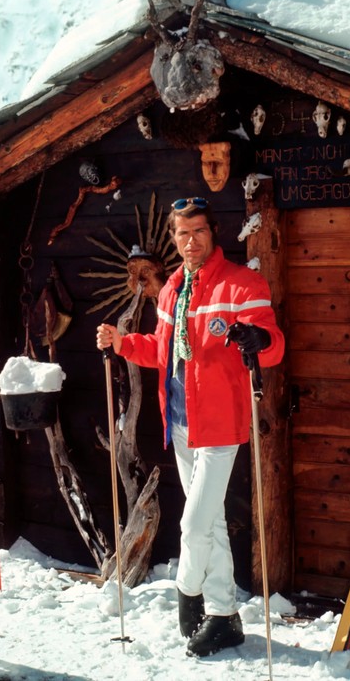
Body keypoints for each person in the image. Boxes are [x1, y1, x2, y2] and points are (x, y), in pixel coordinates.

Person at [97, 196, 284, 658]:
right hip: (179, 421)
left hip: (221, 425)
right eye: (182, 233)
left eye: (198, 231)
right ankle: (224, 616)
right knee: (213, 523)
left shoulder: (242, 284)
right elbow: (162, 351)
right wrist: (122, 343)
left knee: (194, 523)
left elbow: (272, 343)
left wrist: (255, 339)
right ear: (174, 238)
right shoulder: (171, 291)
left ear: (212, 232)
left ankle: (189, 591)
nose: (190, 241)